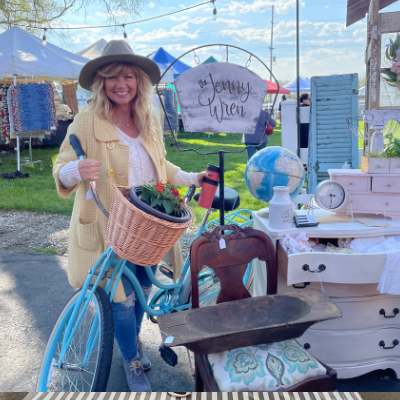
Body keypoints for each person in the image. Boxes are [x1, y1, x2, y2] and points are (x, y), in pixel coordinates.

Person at [53, 40, 208, 392]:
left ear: (139, 81)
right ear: (101, 83)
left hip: (148, 226)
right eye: (111, 77)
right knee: (120, 301)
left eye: (127, 76)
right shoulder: (87, 121)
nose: (120, 84)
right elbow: (61, 168)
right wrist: (76, 169)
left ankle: (131, 342)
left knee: (143, 289)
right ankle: (131, 359)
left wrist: (191, 178)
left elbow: (160, 165)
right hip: (109, 227)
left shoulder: (147, 121)